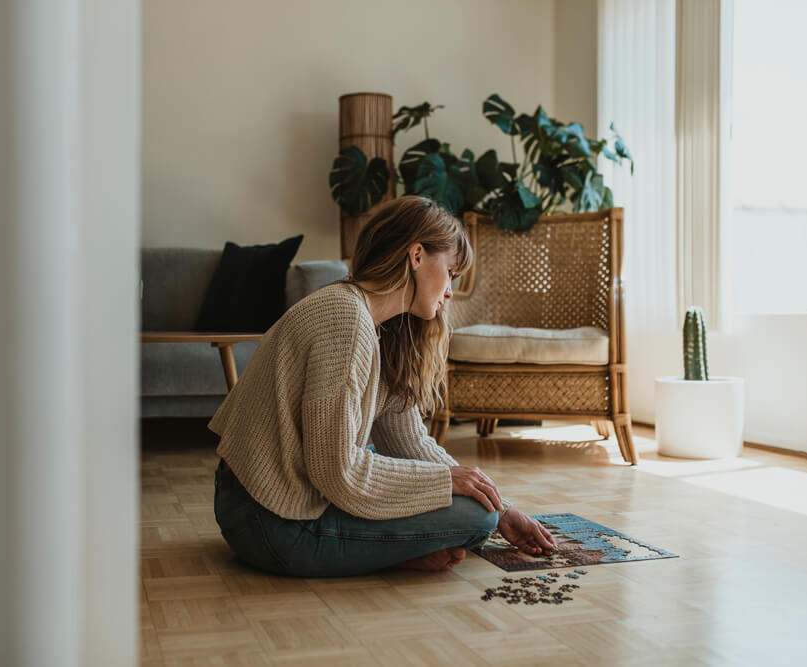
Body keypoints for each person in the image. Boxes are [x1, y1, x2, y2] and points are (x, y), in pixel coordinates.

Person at [210, 195, 557, 577]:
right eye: (451, 273)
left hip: (284, 499)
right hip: (269, 521)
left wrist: (504, 508)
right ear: (417, 255)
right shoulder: (345, 320)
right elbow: (339, 472)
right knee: (476, 519)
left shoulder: (380, 327)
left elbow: (408, 443)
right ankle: (387, 551)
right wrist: (449, 482)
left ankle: (387, 549)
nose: (450, 292)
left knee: (481, 508)